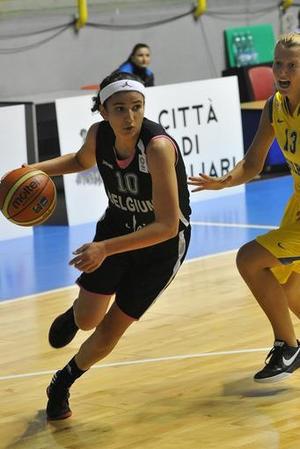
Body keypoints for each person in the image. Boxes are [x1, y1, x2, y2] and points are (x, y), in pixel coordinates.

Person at [27, 71, 190, 420]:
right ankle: (75, 314)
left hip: (161, 246)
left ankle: (62, 382)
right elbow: (80, 161)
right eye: (119, 109)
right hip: (117, 225)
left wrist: (104, 249)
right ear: (103, 111)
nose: (129, 117)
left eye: (136, 107)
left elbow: (166, 225)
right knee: (87, 319)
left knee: (110, 328)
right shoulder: (99, 135)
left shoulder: (158, 148)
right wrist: (32, 171)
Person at [188, 32, 300, 383]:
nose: (283, 70)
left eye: (293, 65)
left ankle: (288, 346)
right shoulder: (274, 107)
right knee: (289, 289)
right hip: (297, 206)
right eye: (278, 63)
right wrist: (224, 181)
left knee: (249, 259)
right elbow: (253, 164)